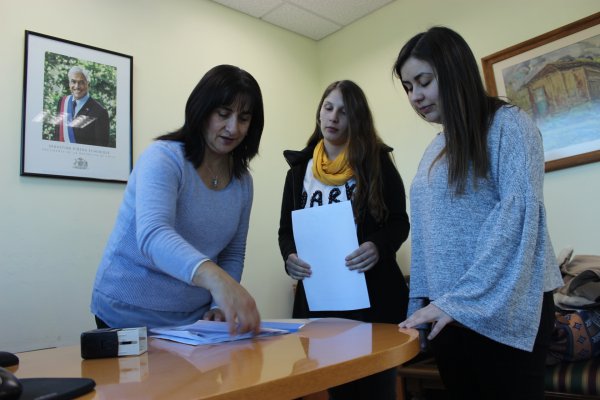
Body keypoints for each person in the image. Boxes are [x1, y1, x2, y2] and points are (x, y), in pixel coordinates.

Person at [393, 27, 564, 400]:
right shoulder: (435, 148)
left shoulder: (510, 125)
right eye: (408, 87)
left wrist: (458, 302)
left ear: (454, 71)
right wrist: (421, 304)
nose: (415, 96)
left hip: (505, 308)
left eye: (424, 81)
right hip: (447, 312)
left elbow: (516, 220)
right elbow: (425, 236)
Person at [91, 64, 264, 334]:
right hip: (127, 310)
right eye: (223, 114)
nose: (233, 128)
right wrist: (218, 281)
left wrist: (219, 304)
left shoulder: (243, 182)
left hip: (193, 319)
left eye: (243, 118)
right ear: (202, 110)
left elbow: (232, 252)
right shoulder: (163, 157)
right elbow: (154, 234)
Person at [278, 80, 410, 400]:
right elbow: (285, 231)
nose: (333, 117)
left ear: (357, 119)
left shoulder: (376, 161)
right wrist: (290, 257)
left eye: (344, 112)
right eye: (328, 107)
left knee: (376, 390)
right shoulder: (298, 172)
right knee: (339, 390)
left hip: (373, 301)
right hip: (321, 303)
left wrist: (377, 246)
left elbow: (399, 222)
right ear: (319, 112)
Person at [54, 66, 110, 147]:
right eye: (73, 82)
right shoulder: (63, 102)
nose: (77, 86)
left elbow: (101, 147)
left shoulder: (100, 112)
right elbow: (57, 134)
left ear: (88, 84)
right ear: (69, 83)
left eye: (81, 82)